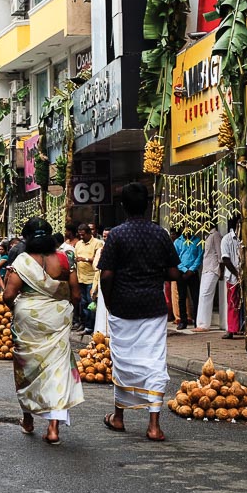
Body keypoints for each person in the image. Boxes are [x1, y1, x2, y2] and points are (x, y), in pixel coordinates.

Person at [98, 182, 180, 442]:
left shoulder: (117, 236)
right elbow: (173, 273)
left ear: (123, 206)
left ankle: (119, 417)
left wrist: (109, 302)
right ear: (146, 205)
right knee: (154, 362)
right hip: (154, 307)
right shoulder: (160, 234)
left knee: (123, 361)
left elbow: (106, 275)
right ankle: (154, 425)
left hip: (123, 306)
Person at [3, 217, 83, 446]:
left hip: (27, 319)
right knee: (57, 369)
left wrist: (18, 311)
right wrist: (63, 309)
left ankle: (28, 420)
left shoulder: (22, 261)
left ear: (26, 238)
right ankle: (53, 428)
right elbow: (76, 295)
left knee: (26, 368)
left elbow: (9, 295)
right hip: (57, 318)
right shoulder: (66, 258)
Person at [75, 223, 103, 335]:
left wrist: (85, 259)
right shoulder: (78, 244)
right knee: (83, 303)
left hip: (92, 279)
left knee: (92, 304)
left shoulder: (97, 243)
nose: (81, 237)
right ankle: (86, 325)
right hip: (80, 278)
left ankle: (91, 327)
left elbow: (99, 260)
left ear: (89, 233)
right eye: (80, 235)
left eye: (83, 235)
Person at [174, 228, 203, 330]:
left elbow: (200, 257)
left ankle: (197, 320)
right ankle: (183, 321)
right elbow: (175, 258)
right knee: (182, 298)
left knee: (195, 297)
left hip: (193, 273)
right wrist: (184, 269)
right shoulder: (177, 242)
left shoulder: (198, 241)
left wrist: (191, 270)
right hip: (181, 273)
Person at [195, 226, 222, 332]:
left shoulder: (215, 235)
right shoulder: (207, 236)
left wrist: (221, 269)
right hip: (206, 269)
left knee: (206, 294)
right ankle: (200, 323)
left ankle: (204, 324)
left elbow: (220, 253)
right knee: (202, 295)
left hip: (213, 268)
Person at [221, 215, 242, 339]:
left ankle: (241, 327)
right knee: (233, 302)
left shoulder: (245, 238)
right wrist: (237, 274)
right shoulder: (226, 239)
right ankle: (231, 329)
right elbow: (225, 259)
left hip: (244, 274)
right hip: (233, 277)